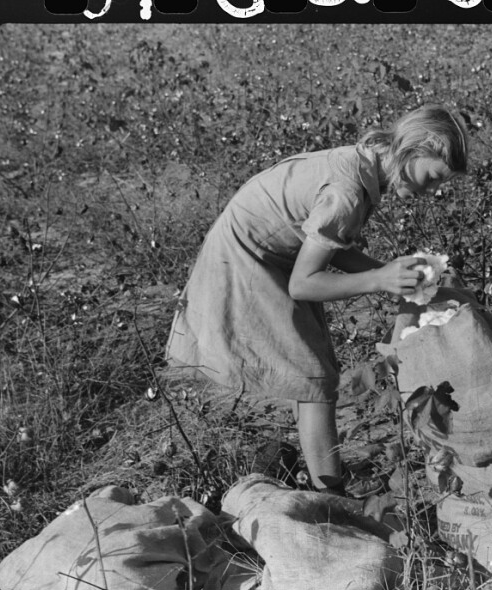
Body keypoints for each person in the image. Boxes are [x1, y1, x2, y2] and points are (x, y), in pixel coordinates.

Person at [165, 104, 469, 496]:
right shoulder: (347, 192)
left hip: (272, 252)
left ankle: (321, 472)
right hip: (249, 256)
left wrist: (391, 272)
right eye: (433, 178)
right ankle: (330, 493)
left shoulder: (363, 165)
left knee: (313, 366)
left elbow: (330, 246)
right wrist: (378, 278)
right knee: (316, 379)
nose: (432, 191)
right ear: (413, 150)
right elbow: (304, 284)